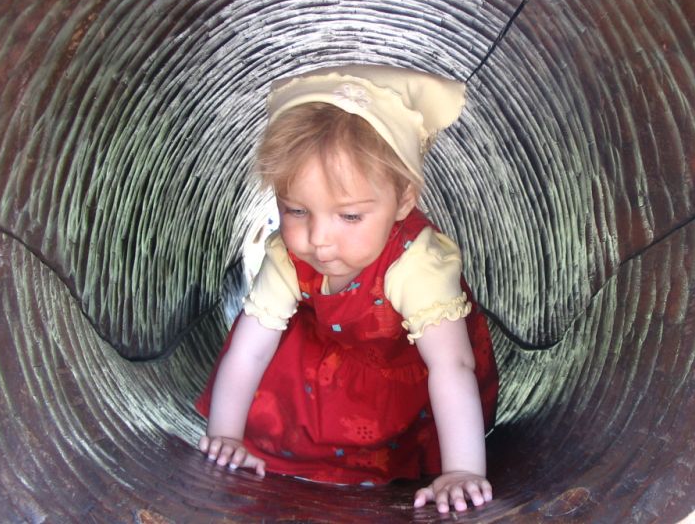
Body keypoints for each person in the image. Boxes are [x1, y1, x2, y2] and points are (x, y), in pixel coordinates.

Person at [196, 64, 499, 514]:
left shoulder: (416, 262)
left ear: (403, 199)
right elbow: (250, 349)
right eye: (297, 210)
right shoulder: (287, 254)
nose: (319, 239)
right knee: (279, 384)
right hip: (326, 363)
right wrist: (226, 436)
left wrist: (462, 469)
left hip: (404, 371)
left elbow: (451, 365)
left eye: (350, 216)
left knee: (406, 422)